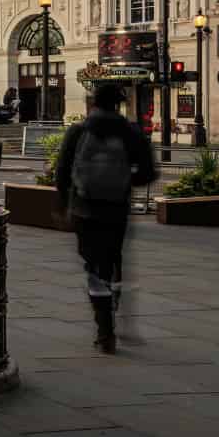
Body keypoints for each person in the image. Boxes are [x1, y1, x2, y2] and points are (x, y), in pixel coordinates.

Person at [55, 84, 156, 353]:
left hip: (83, 208)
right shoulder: (129, 132)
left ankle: (104, 330)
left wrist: (64, 205)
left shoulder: (79, 131)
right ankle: (114, 299)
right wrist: (125, 180)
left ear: (93, 103)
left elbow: (62, 172)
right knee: (113, 258)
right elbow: (148, 173)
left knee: (93, 264)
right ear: (118, 104)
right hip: (115, 207)